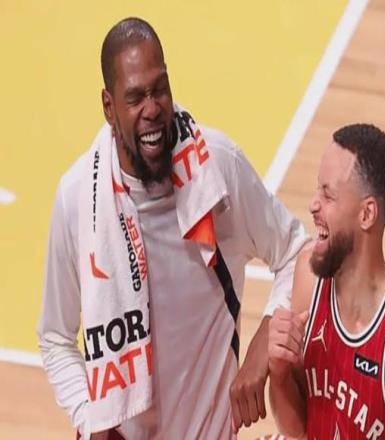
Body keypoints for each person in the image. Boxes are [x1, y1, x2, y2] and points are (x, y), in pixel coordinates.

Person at [37, 17, 309, 439]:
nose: (152, 109)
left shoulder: (217, 169)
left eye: (159, 89)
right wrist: (90, 418)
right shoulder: (77, 198)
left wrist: (266, 336)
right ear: (109, 107)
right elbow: (55, 337)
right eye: (135, 97)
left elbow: (295, 251)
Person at [268, 124, 385, 439]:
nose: (313, 204)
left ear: (367, 214)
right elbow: (297, 429)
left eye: (328, 195)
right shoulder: (309, 278)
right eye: (317, 190)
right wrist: (280, 374)